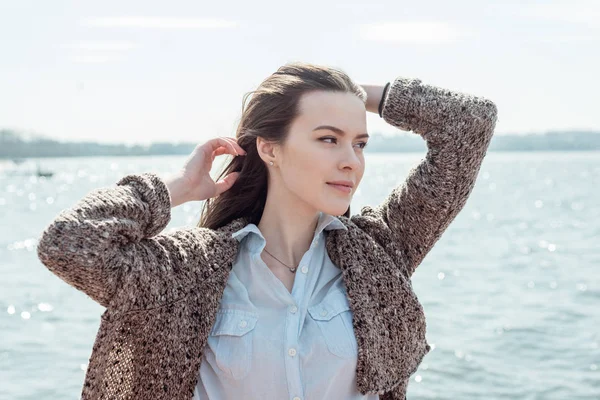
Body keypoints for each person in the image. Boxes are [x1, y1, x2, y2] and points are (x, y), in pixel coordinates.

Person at [37, 61, 498, 400]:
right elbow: (70, 244)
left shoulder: (378, 251)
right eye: (327, 139)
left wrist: (360, 94)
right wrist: (177, 187)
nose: (350, 161)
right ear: (270, 149)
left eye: (359, 143)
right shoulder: (186, 272)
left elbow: (469, 124)